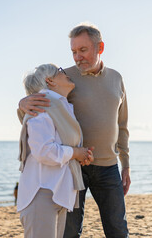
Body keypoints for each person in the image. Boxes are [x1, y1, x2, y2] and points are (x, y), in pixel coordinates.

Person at [18, 23, 131, 238]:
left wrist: (126, 164)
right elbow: (38, 111)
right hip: (74, 167)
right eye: (73, 51)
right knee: (69, 233)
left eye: (83, 50)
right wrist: (22, 104)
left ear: (100, 47)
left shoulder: (116, 79)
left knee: (118, 229)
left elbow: (122, 125)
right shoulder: (64, 78)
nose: (77, 57)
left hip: (108, 167)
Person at [17, 64, 95, 238]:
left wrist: (80, 154)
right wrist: (75, 153)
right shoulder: (43, 104)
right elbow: (43, 151)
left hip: (57, 192)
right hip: (42, 192)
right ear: (50, 80)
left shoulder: (61, 106)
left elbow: (60, 145)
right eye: (60, 71)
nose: (65, 73)